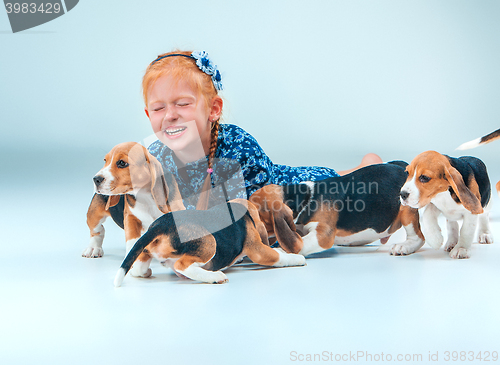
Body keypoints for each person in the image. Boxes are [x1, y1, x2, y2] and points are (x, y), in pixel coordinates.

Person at [142, 50, 382, 209]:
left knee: (337, 189)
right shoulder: (154, 157)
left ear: (213, 110)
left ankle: (367, 168)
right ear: (147, 114)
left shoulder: (239, 147)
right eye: (158, 108)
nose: (170, 115)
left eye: (183, 104)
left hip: (282, 194)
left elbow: (255, 214)